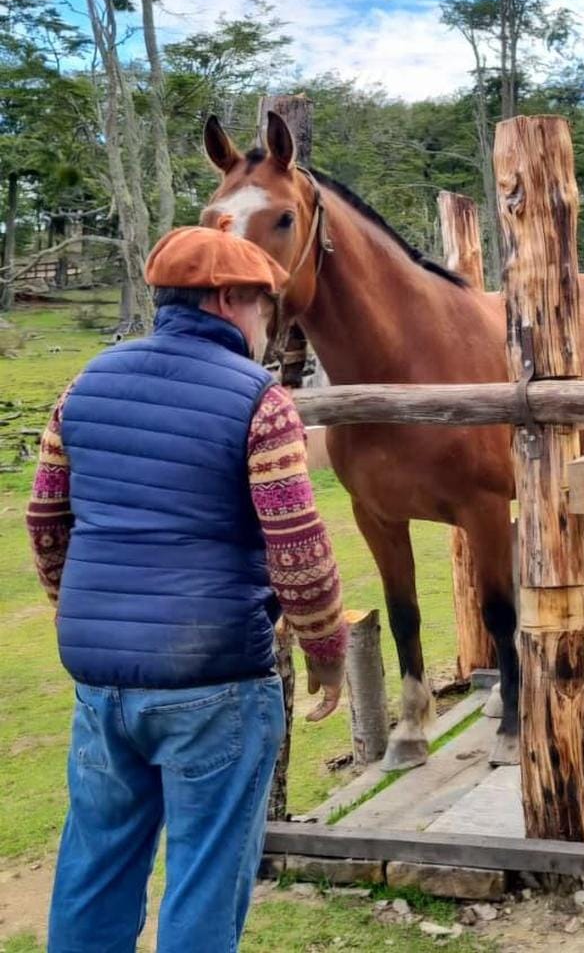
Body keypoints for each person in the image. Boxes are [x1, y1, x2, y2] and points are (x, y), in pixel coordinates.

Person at [27, 222, 348, 952]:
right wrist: (327, 649)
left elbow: (46, 517)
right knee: (205, 874)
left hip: (102, 680)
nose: (268, 323)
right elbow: (297, 546)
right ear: (229, 299)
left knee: (95, 865)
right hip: (216, 678)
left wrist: (77, 611)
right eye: (264, 305)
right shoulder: (259, 401)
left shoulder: (85, 385)